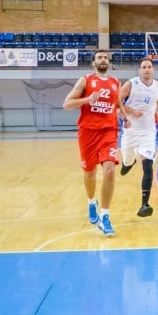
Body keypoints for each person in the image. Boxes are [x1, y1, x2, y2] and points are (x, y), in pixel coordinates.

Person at [62, 50, 125, 237]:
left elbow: (118, 106)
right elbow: (67, 104)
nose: (103, 60)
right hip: (88, 132)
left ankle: (105, 216)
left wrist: (126, 117)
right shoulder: (85, 80)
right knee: (90, 174)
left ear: (109, 62)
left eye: (105, 57)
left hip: (108, 131)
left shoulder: (116, 83)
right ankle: (91, 202)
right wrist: (88, 99)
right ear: (94, 63)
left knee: (110, 170)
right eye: (99, 57)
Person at [118, 58, 158, 218]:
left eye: (149, 67)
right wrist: (131, 112)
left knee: (148, 166)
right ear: (139, 70)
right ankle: (128, 163)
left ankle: (145, 204)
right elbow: (117, 103)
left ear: (153, 69)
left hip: (148, 133)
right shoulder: (131, 84)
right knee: (127, 161)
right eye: (144, 67)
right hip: (131, 132)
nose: (146, 69)